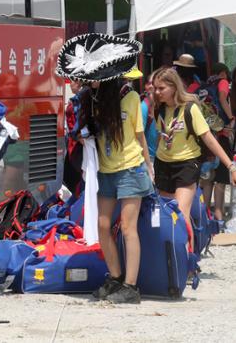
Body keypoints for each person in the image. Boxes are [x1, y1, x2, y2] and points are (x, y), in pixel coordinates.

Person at [56, 33, 154, 304]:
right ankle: (115, 276)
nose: (90, 81)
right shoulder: (92, 99)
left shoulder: (130, 97)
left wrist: (149, 164)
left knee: (127, 229)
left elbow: (139, 136)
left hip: (131, 169)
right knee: (102, 225)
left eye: (96, 75)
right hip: (106, 171)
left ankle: (131, 286)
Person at [152, 68, 236, 251]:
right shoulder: (159, 109)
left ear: (173, 87)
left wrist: (231, 167)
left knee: (180, 214)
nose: (157, 92)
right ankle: (170, 261)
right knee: (166, 215)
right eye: (155, 88)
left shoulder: (190, 108)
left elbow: (209, 139)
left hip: (186, 164)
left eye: (161, 88)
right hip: (163, 164)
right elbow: (160, 137)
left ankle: (188, 263)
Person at [199, 63, 235, 223]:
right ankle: (219, 213)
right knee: (221, 175)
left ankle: (204, 213)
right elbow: (222, 97)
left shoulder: (203, 86)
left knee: (207, 177)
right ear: (223, 73)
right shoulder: (222, 82)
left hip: (206, 135)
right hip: (221, 133)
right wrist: (232, 117)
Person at [141, 73, 158, 160]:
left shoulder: (163, 105)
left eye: (153, 83)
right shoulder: (143, 106)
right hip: (150, 158)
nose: (151, 86)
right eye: (148, 83)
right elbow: (140, 136)